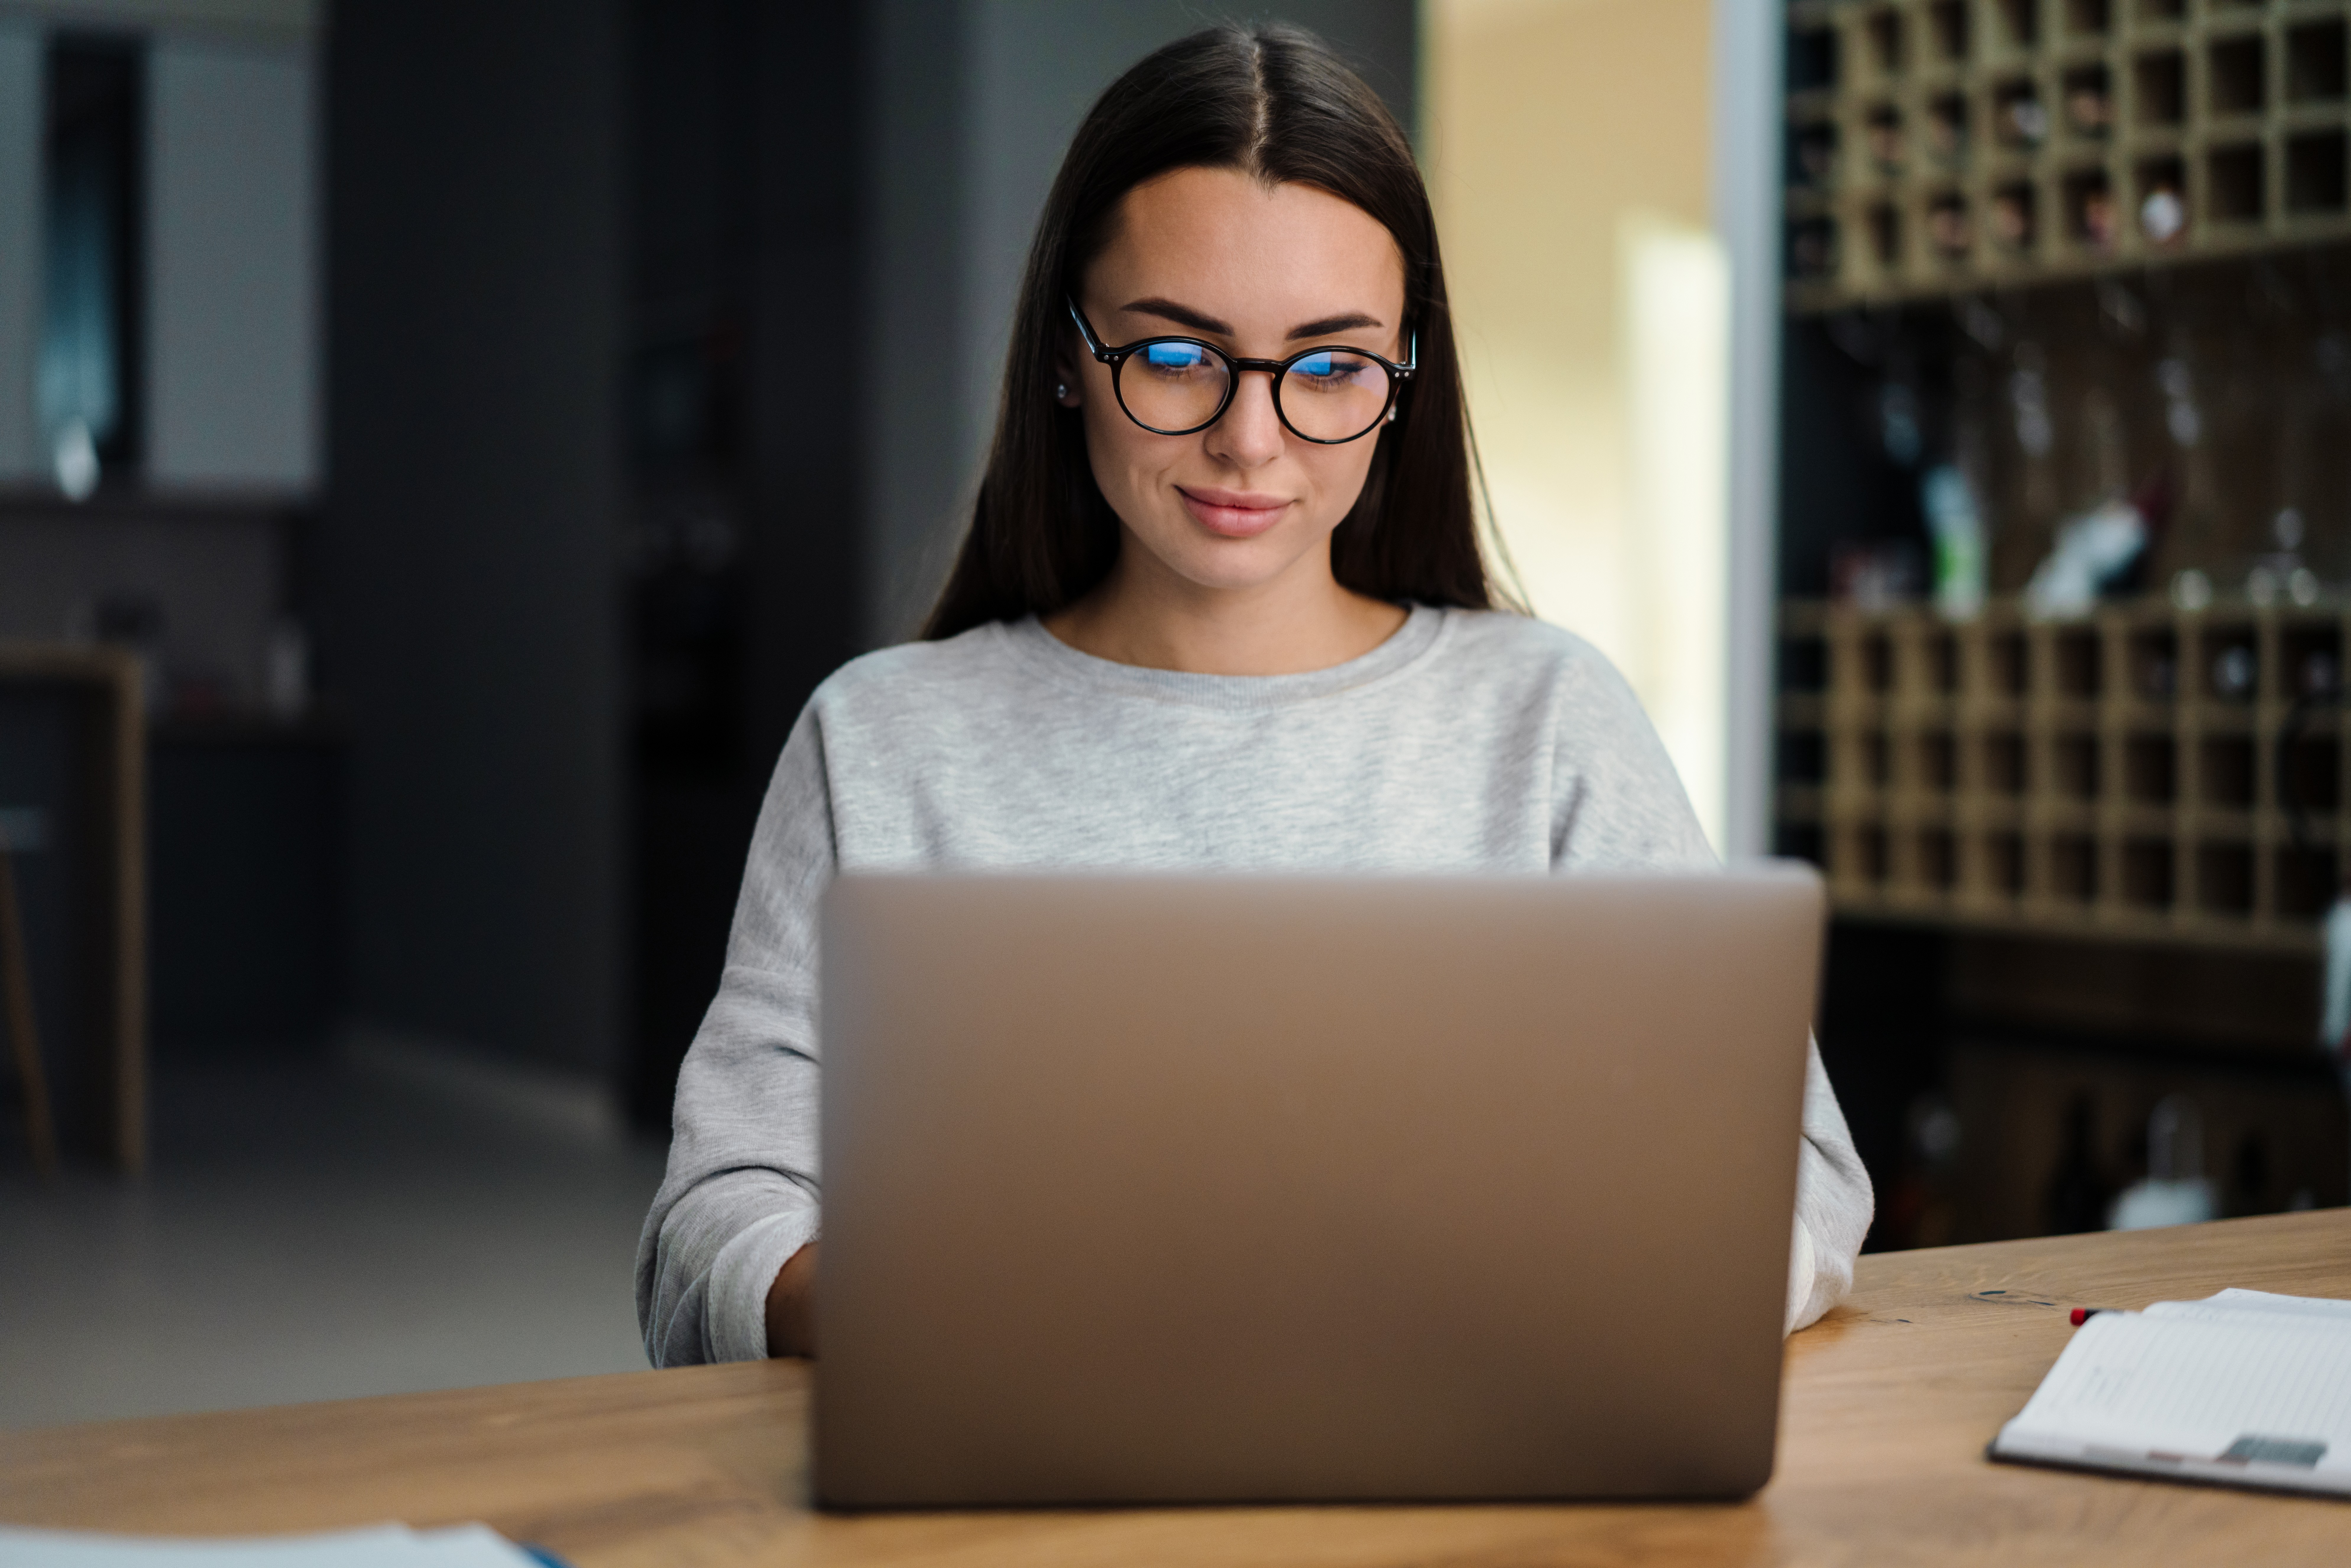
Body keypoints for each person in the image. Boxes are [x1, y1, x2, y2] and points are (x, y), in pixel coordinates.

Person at [636, 22, 1872, 1366]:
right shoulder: (877, 740)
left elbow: (1794, 1178)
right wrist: (955, 1317)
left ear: (1402, 383)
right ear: (1067, 357)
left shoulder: (1549, 720)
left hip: (1469, 1428)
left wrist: (1535, 1295)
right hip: (1024, 1435)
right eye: (1176, 356)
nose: (1249, 437)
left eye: (1331, 367)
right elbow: (718, 1222)